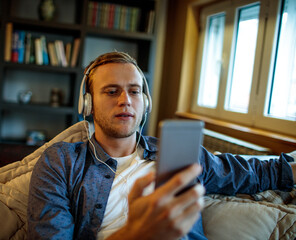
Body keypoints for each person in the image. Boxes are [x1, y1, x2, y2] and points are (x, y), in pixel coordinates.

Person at [27, 52, 296, 240]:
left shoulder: (177, 153)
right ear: (87, 103)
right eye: (111, 91)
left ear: (146, 103)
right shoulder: (60, 161)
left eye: (134, 91)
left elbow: (251, 172)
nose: (125, 100)